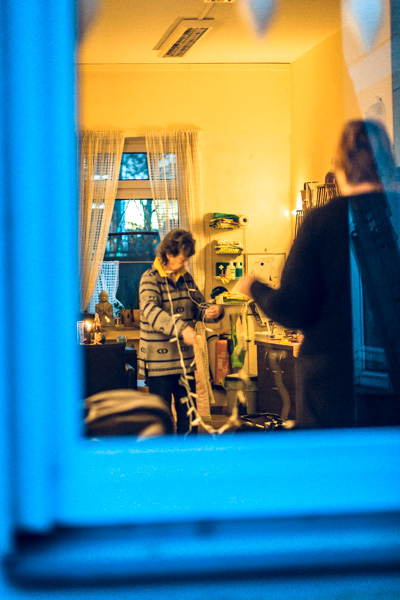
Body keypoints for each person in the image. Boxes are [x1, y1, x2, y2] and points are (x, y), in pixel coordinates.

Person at [239, 119, 400, 428]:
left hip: (334, 391)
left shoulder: (321, 222)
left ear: (340, 169)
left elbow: (291, 309)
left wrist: (254, 287)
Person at [139, 228, 224, 434]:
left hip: (185, 362)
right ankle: (166, 455)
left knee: (189, 417)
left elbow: (198, 306)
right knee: (163, 420)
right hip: (158, 364)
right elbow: (151, 311)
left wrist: (214, 311)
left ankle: (189, 454)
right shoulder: (150, 278)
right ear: (169, 254)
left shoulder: (187, 279)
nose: (186, 263)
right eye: (183, 258)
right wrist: (181, 328)